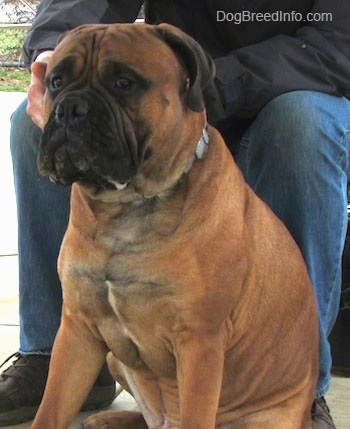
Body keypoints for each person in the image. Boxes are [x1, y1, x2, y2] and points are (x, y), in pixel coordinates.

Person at [1, 0, 350, 427]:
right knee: (26, 124)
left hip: (271, 87)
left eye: (122, 85)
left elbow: (338, 42)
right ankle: (45, 355)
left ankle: (301, 391)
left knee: (302, 126)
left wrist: (208, 88)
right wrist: (50, 51)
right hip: (182, 81)